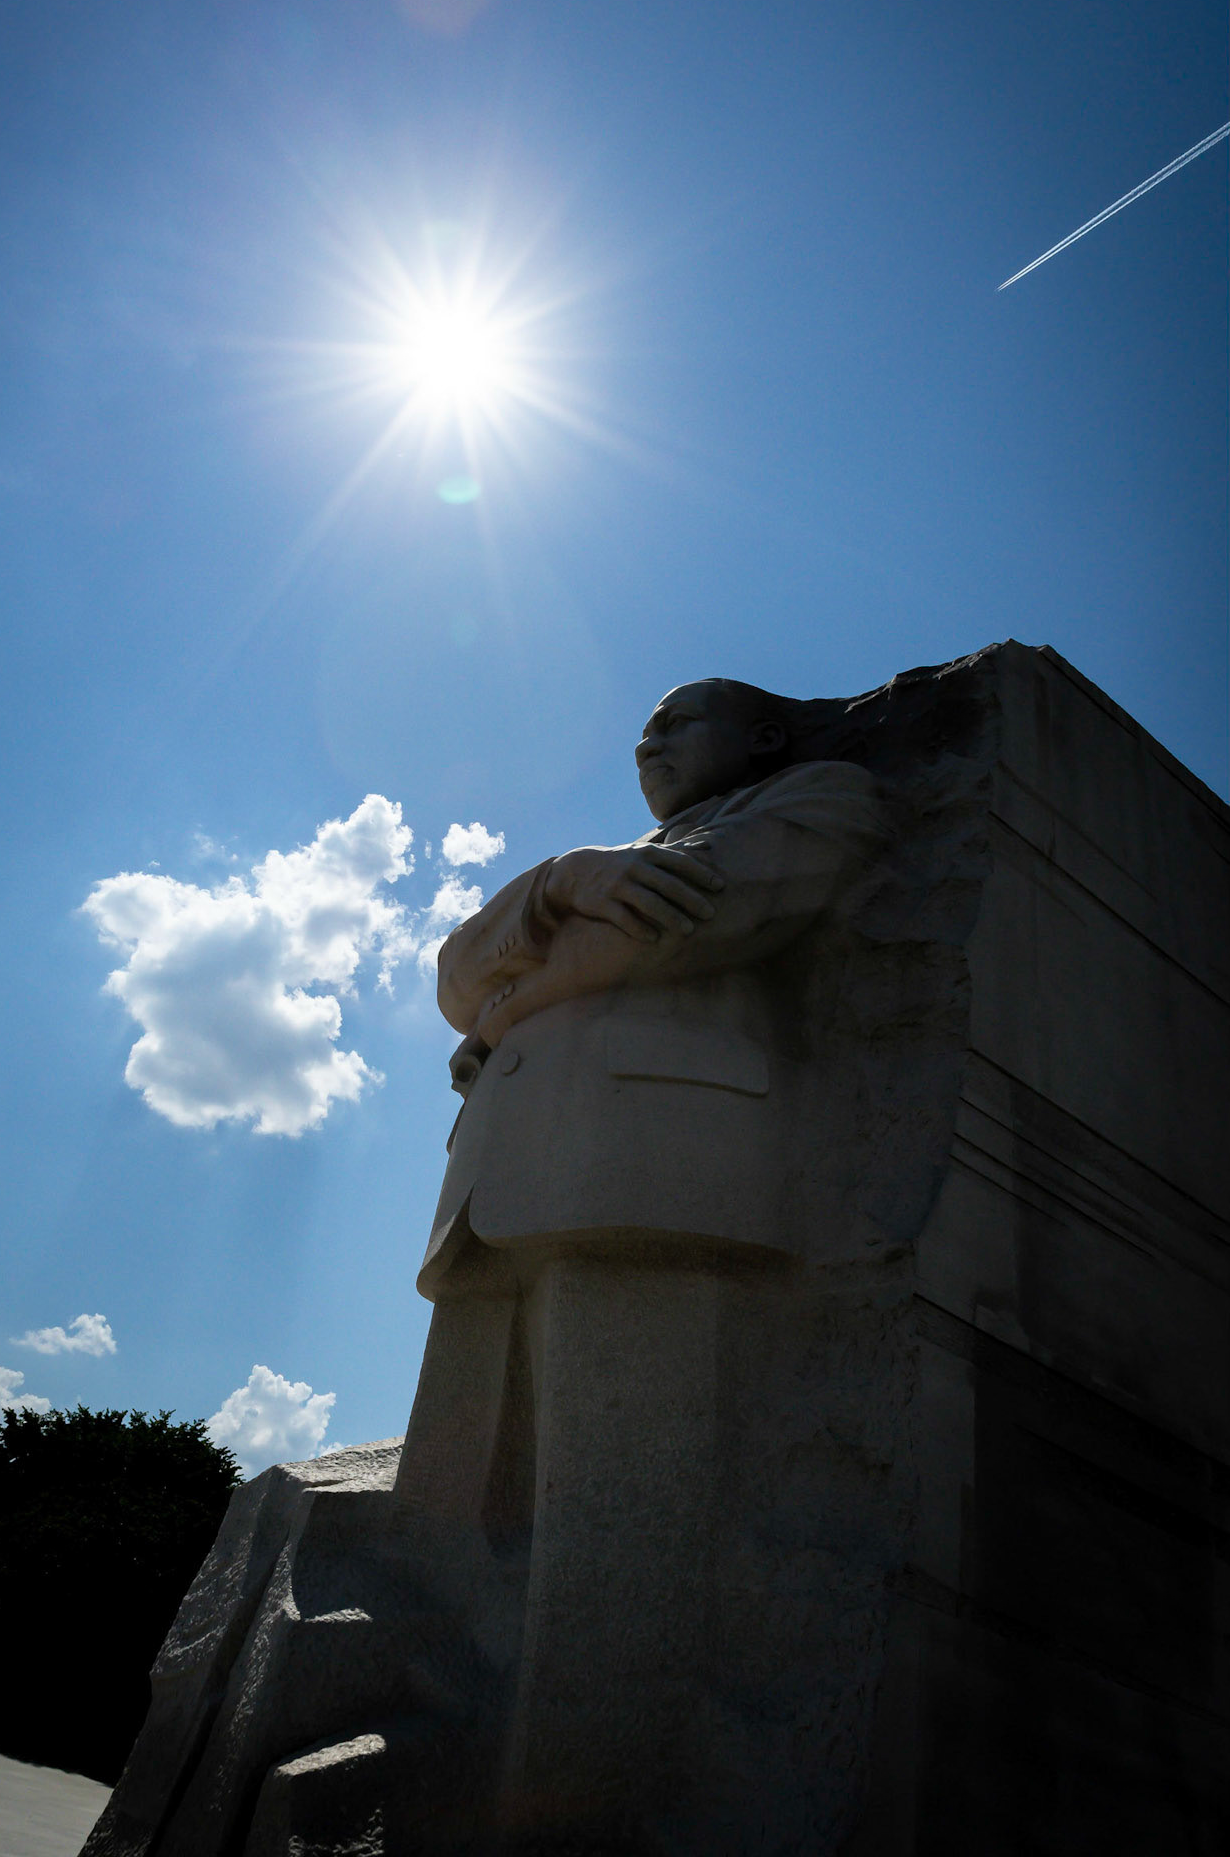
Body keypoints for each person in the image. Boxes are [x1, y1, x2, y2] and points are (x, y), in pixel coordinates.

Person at [390, 679, 891, 1852]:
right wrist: (562, 877)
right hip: (494, 1193)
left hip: (650, 1176)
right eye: (641, 730)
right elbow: (453, 975)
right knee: (444, 1535)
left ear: (762, 732)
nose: (648, 742)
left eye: (678, 721)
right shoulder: (603, 862)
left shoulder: (822, 793)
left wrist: (502, 1014)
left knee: (617, 1539)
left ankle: (584, 1816)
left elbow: (689, 921)